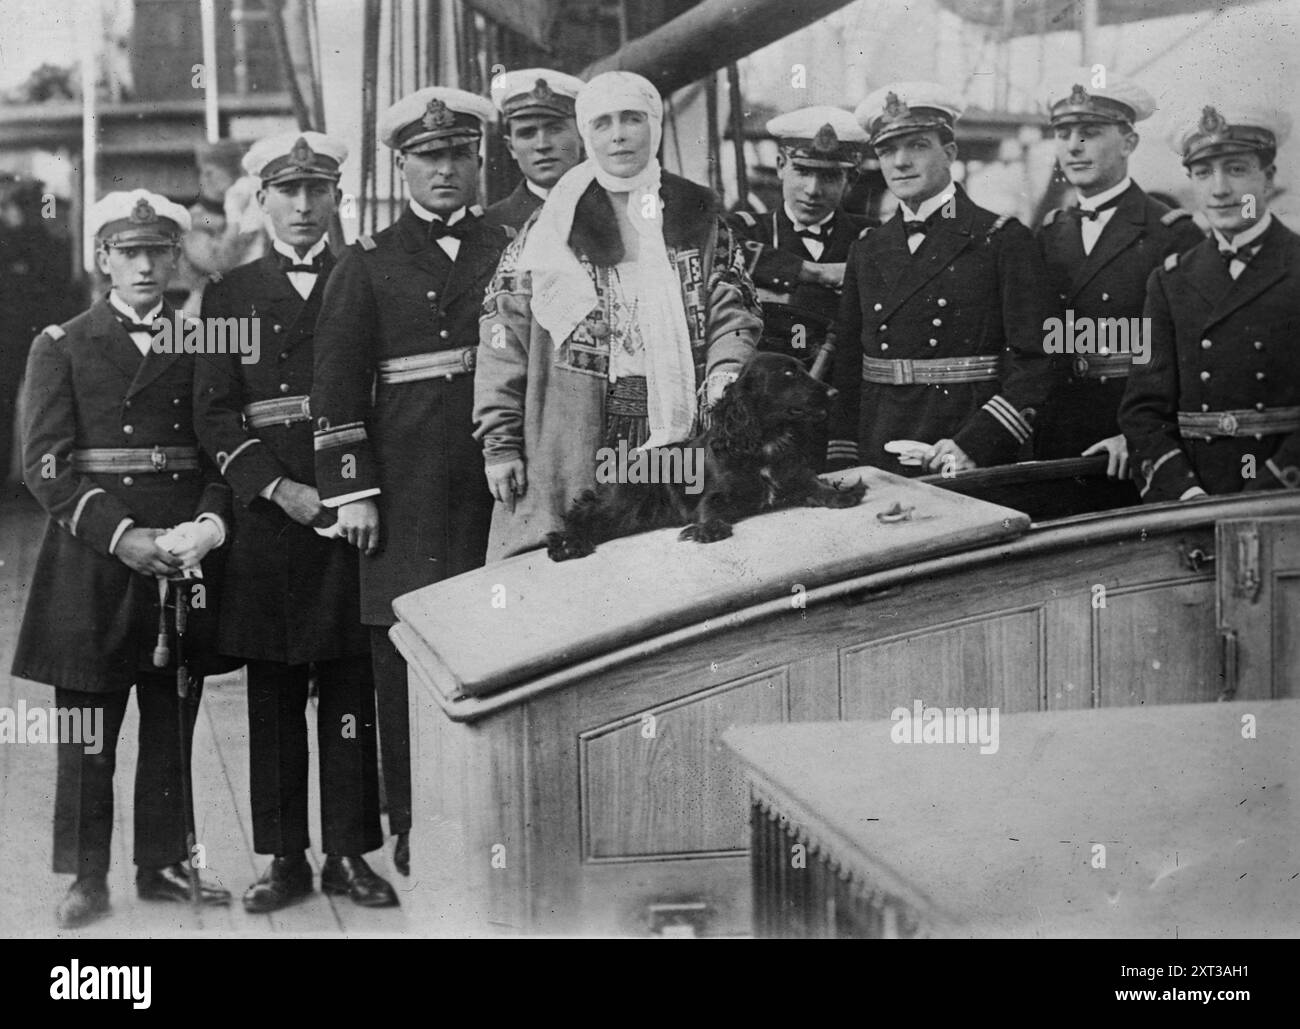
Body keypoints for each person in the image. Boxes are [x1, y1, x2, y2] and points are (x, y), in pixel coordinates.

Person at [12, 189, 235, 928]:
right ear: (102, 259)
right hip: (93, 558)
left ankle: (163, 859)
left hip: (177, 556)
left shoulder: (202, 339)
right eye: (127, 252)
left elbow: (217, 448)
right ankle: (85, 873)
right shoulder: (62, 343)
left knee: (171, 719)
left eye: (156, 251)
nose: (143, 265)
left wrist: (207, 522)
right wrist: (121, 534)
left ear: (176, 258)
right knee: (88, 732)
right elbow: (43, 466)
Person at [194, 131, 396, 911]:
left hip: (354, 507)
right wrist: (278, 489)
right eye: (289, 192)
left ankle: (350, 852)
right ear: (263, 200)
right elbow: (213, 414)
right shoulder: (230, 295)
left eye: (318, 191)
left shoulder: (365, 275)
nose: (305, 206)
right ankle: (284, 857)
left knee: (350, 684)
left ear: (337, 198)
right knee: (274, 690)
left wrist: (349, 492)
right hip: (272, 520)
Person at [311, 87, 508, 877]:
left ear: (478, 162)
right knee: (405, 655)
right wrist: (351, 488)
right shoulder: (366, 262)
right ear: (401, 167)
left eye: (460, 154)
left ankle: (495, 813)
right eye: (429, 157)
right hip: (408, 485)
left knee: (501, 644)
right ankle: (412, 818)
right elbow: (336, 385)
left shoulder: (516, 243)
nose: (446, 170)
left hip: (501, 481)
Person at [474, 70, 762, 560]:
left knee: (674, 554)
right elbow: (504, 335)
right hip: (579, 427)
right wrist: (500, 443)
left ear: (654, 124)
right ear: (588, 135)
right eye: (603, 123)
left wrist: (726, 370)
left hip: (681, 425)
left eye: (632, 118)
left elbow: (731, 305)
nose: (620, 134)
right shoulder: (550, 227)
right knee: (581, 558)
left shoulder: (699, 217)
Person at [827, 81, 1057, 477]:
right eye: (887, 150)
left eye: (917, 145)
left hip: (963, 445)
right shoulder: (867, 249)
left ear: (949, 153)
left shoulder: (1001, 239)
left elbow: (1037, 359)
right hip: (879, 446)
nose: (900, 162)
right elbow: (849, 364)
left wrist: (977, 442)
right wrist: (844, 458)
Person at [1034, 73, 1203, 504]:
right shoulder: (1050, 232)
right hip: (1058, 434)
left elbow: (1196, 360)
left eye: (1089, 133)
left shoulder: (1172, 234)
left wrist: (1143, 435)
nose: (1073, 146)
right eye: (1063, 134)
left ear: (1129, 143)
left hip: (1135, 445)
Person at [1120, 103, 1300, 501]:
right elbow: (1143, 410)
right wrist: (1186, 494)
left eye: (1236, 170)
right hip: (1197, 501)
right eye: (1203, 173)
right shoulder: (1169, 282)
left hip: (1287, 499)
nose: (1219, 190)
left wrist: (1272, 489)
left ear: (1267, 179)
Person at [728, 106, 872, 371]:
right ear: (781, 166)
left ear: (850, 178)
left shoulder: (871, 237)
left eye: (829, 176)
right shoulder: (747, 230)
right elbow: (717, 249)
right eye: (803, 171)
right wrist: (816, 272)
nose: (813, 190)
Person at [0, 173, 73, 485]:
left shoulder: (46, 221)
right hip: (14, 335)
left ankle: (46, 475)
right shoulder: (17, 233)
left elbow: (54, 243)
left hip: (36, 335)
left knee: (44, 408)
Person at [485, 68, 585, 234]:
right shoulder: (489, 226)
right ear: (511, 148)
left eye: (554, 130)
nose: (542, 145)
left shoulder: (618, 210)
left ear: (581, 136)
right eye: (527, 133)